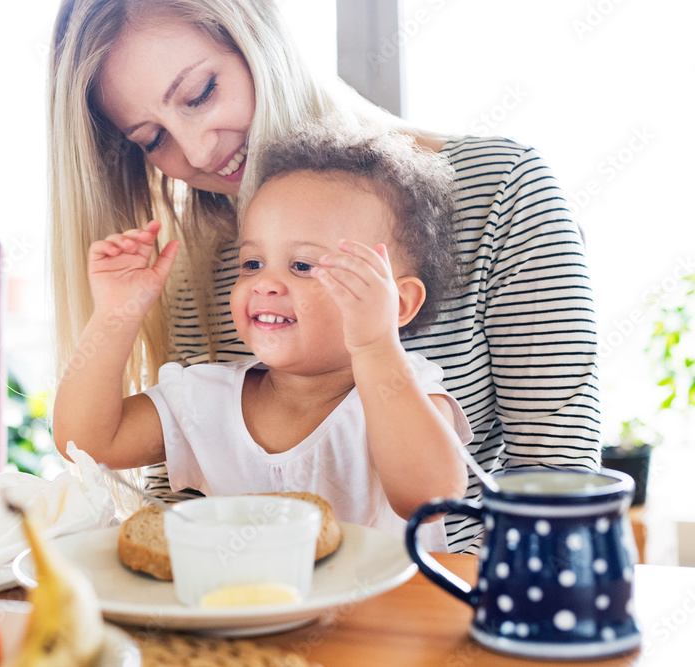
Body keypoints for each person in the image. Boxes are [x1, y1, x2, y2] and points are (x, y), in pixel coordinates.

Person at [48, 0, 600, 553]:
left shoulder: (502, 191)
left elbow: (555, 488)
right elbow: (161, 493)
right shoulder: (198, 259)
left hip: (442, 614)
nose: (196, 150)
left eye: (199, 93)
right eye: (151, 139)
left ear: (260, 40)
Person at [53, 126, 471, 548]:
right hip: (241, 611)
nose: (265, 284)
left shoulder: (403, 396)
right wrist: (115, 313)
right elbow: (85, 443)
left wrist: (376, 346)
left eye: (303, 266)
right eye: (252, 263)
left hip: (382, 613)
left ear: (397, 304)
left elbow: (431, 499)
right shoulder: (205, 399)